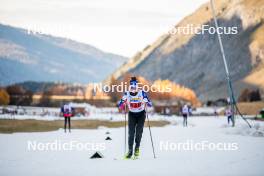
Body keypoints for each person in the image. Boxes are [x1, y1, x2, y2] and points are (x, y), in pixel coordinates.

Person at [118, 77, 152, 159]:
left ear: (137, 86)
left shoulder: (141, 93)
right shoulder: (127, 93)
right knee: (131, 133)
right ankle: (130, 152)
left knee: (139, 132)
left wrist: (146, 101)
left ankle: (137, 149)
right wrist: (122, 104)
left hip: (141, 114)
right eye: (132, 87)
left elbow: (150, 104)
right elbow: (120, 104)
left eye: (135, 86)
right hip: (132, 114)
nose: (133, 89)